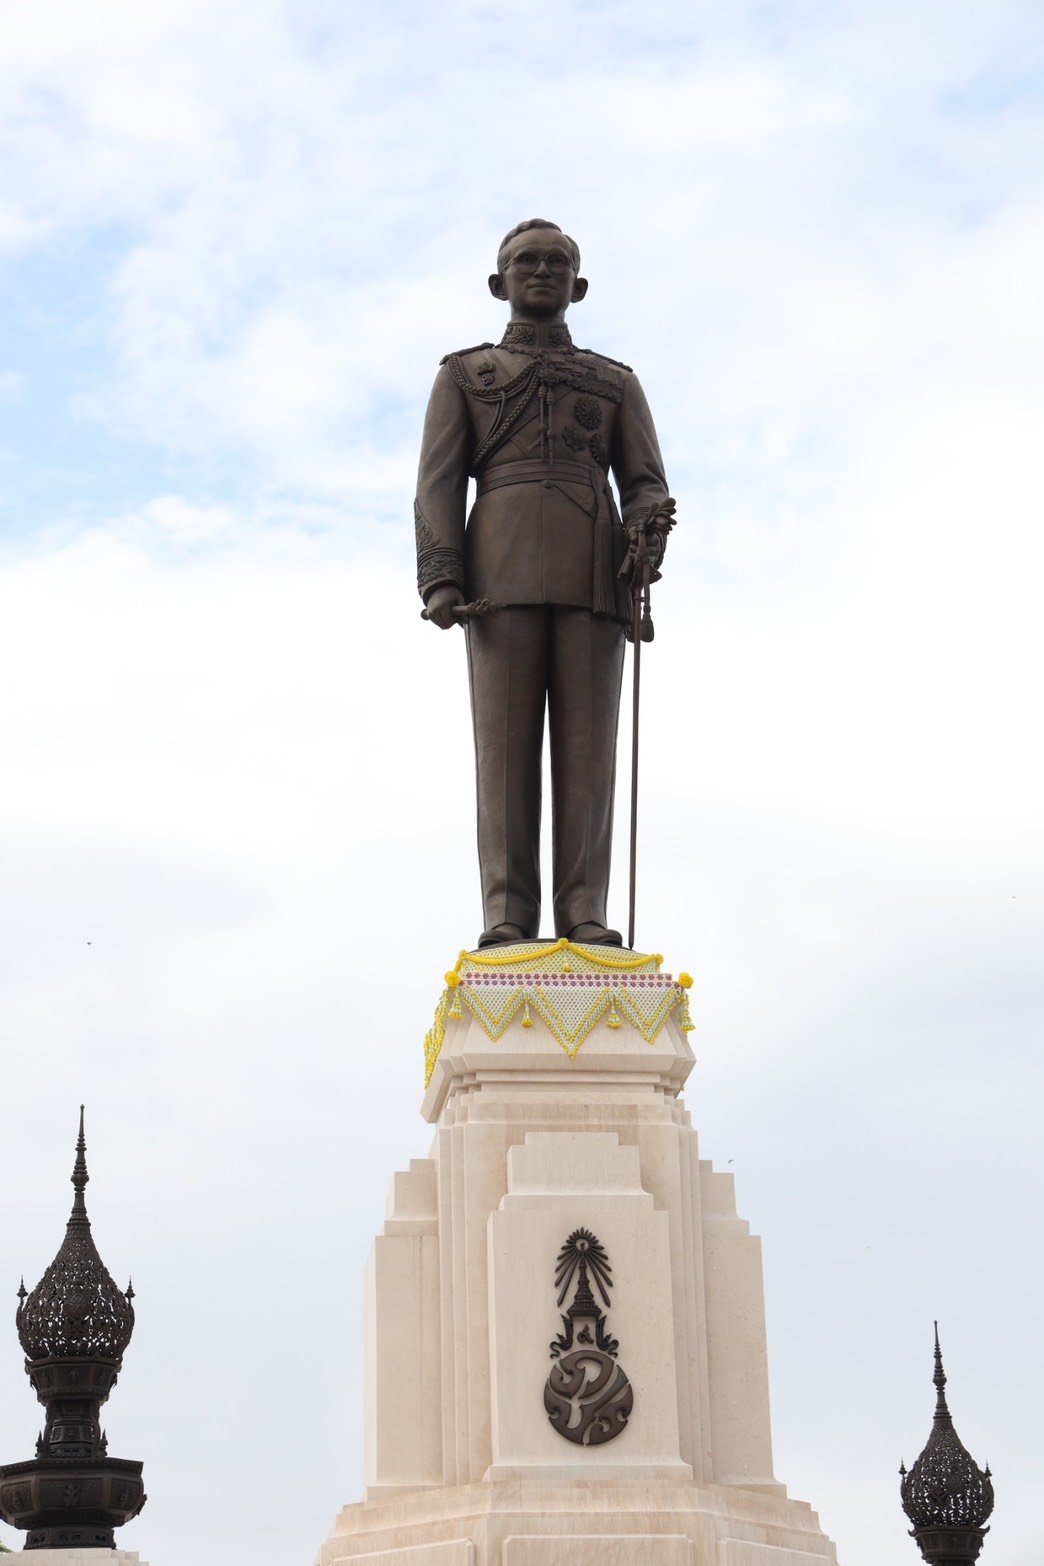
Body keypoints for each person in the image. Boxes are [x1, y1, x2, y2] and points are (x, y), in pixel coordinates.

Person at [415, 219, 675, 948]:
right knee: (503, 755)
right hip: (497, 580)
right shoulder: (464, 375)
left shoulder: (615, 382)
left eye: (557, 263)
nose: (541, 271)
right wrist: (441, 579)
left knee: (589, 757)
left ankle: (584, 910)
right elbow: (437, 483)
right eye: (526, 261)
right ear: (498, 283)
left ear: (578, 287)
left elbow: (645, 482)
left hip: (597, 575)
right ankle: (507, 913)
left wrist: (647, 530)